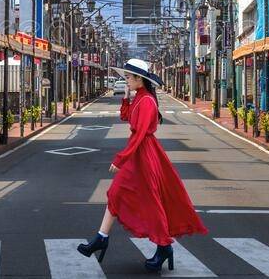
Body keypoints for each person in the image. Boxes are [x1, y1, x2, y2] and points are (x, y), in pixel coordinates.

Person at [77, 58, 207, 272]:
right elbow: (125, 117)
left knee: (151, 201)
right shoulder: (139, 97)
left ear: (140, 79)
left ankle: (164, 246)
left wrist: (121, 159)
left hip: (144, 153)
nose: (125, 81)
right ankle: (101, 238)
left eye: (128, 78)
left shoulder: (147, 101)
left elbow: (139, 135)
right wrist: (126, 99)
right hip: (139, 152)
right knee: (116, 193)